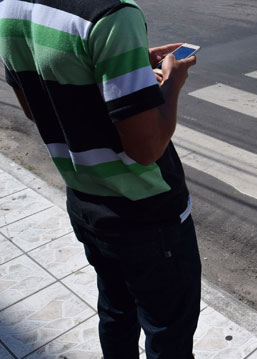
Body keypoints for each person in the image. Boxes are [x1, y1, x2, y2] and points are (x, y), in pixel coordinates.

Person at [0, 0, 201, 357]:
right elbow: (147, 146)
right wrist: (173, 81)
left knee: (116, 312)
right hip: (147, 215)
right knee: (169, 331)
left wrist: (127, 70)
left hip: (84, 202)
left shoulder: (10, 8)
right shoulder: (111, 14)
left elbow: (38, 108)